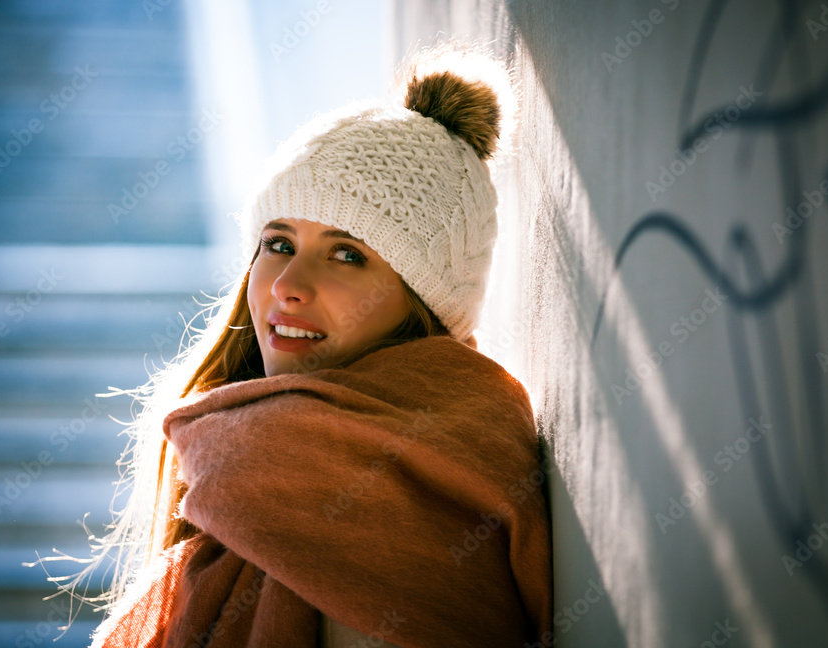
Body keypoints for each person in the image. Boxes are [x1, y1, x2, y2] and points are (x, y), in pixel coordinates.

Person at [58, 43, 553, 648]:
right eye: (279, 243)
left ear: (423, 302)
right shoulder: (242, 450)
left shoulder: (409, 490)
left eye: (347, 254)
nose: (288, 286)